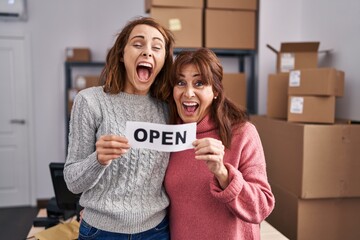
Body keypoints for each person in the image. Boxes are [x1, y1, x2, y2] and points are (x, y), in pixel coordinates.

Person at [64, 17, 175, 239]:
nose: (147, 52)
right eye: (138, 44)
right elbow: (72, 182)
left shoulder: (169, 108)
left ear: (164, 60)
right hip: (101, 231)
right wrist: (98, 160)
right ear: (122, 55)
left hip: (156, 231)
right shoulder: (89, 101)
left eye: (157, 47)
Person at [164, 48, 275, 240]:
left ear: (215, 90)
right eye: (181, 82)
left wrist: (223, 174)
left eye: (199, 83)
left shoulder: (242, 133)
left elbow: (261, 208)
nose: (188, 92)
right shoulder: (169, 135)